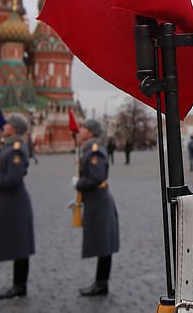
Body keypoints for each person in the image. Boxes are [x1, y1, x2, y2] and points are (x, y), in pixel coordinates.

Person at [0, 113, 35, 299]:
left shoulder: (16, 148)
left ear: (14, 128)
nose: (4, 125)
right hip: (10, 201)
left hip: (15, 201)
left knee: (20, 244)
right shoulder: (9, 145)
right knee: (17, 243)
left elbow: (13, 178)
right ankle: (18, 284)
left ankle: (19, 285)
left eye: (7, 123)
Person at [74, 119, 120, 296]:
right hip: (95, 201)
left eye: (83, 127)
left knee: (104, 243)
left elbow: (96, 177)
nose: (80, 129)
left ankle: (101, 284)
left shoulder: (95, 151)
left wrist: (79, 184)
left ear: (91, 132)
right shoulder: (89, 149)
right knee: (103, 243)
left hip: (99, 201)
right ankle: (100, 283)